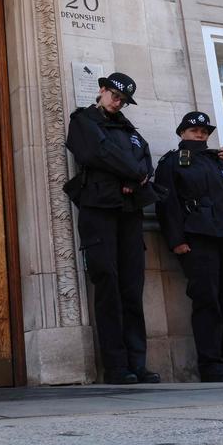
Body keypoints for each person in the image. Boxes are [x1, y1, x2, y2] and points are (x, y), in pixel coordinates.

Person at [65, 72, 160, 385]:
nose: (117, 103)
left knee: (131, 289)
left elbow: (144, 157)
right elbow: (97, 152)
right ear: (102, 90)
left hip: (128, 212)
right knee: (107, 287)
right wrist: (133, 175)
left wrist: (136, 176)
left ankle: (137, 362)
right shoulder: (83, 120)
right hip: (99, 210)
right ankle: (116, 366)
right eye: (114, 96)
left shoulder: (128, 128)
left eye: (122, 100)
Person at [155, 111, 223, 383]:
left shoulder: (219, 161)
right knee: (207, 302)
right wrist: (176, 240)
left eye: (204, 131)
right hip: (199, 237)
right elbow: (167, 203)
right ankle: (212, 366)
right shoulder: (174, 161)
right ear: (182, 133)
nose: (200, 135)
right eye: (194, 130)